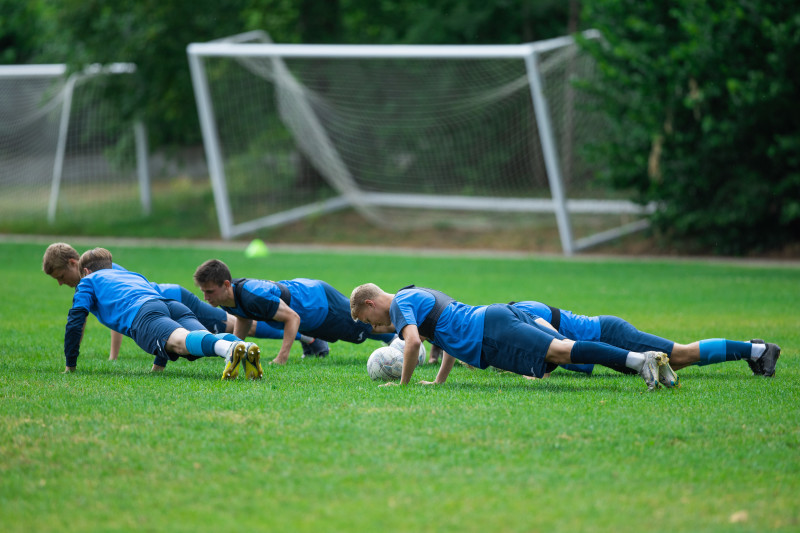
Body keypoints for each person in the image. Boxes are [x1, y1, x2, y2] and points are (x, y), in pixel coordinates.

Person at [349, 283, 678, 391]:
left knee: (562, 352)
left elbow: (414, 343)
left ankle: (641, 360)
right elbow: (447, 340)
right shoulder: (415, 292)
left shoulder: (400, 305)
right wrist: (438, 382)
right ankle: (646, 361)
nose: (376, 326)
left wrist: (403, 386)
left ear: (371, 303)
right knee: (560, 350)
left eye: (369, 319)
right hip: (492, 319)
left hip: (491, 330)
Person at [42, 242, 328, 360]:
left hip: (168, 298)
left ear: (72, 263)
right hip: (164, 301)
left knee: (238, 323)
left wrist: (113, 356)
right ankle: (233, 346)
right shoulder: (99, 272)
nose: (59, 283)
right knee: (230, 325)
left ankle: (307, 337)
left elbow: (121, 310)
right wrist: (114, 356)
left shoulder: (95, 276)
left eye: (59, 275)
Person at [61, 247, 263, 380]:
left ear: (85, 271)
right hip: (170, 304)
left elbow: (76, 320)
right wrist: (159, 366)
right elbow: (162, 321)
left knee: (182, 342)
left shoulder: (88, 281)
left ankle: (230, 348)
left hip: (142, 313)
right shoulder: (130, 275)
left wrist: (70, 364)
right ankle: (243, 347)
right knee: (200, 340)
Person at [193, 259, 395, 365]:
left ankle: (409, 333)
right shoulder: (228, 297)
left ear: (226, 284)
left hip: (318, 303)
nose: (206, 297)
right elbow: (243, 319)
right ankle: (399, 337)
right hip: (310, 308)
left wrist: (282, 357)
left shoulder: (252, 296)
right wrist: (231, 350)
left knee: (366, 326)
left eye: (209, 291)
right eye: (203, 292)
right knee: (362, 330)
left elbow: (292, 317)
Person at [510, 301, 781, 378]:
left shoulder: (524, 312)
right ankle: (750, 348)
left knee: (681, 356)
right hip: (605, 336)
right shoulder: (516, 312)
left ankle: (758, 350)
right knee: (677, 362)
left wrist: (535, 372)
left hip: (610, 334)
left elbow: (554, 343)